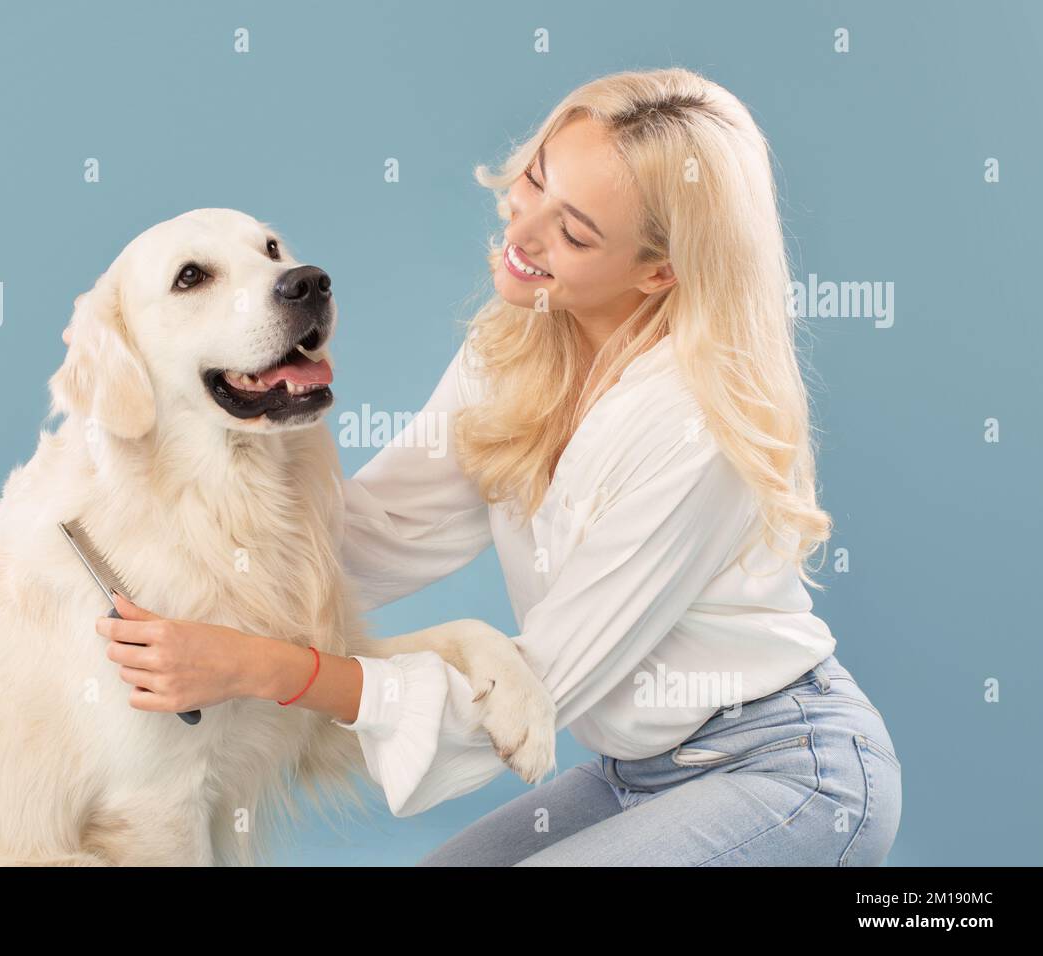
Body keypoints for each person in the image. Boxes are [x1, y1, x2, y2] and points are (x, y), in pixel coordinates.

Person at [79, 67, 902, 866]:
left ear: (661, 271)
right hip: (635, 775)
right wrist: (163, 541)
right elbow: (370, 537)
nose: (523, 234)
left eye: (575, 232)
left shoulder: (693, 430)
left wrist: (255, 667)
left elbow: (531, 692)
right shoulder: (514, 350)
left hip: (790, 770)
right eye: (535, 180)